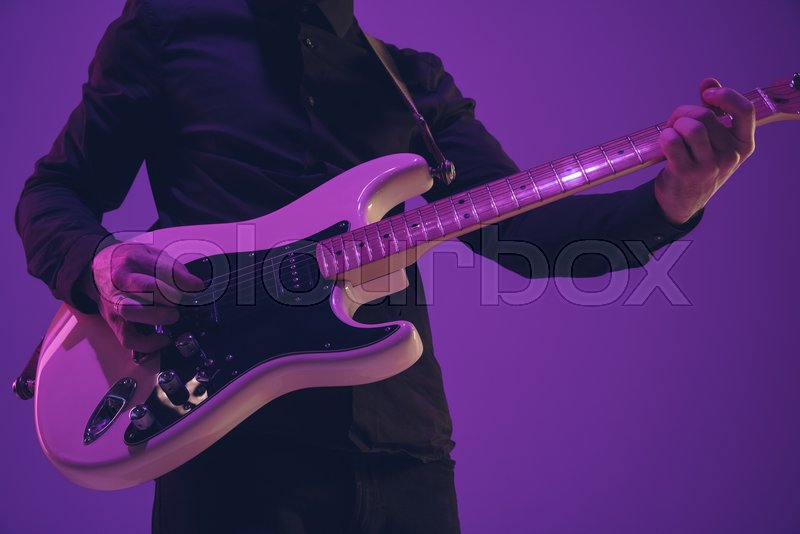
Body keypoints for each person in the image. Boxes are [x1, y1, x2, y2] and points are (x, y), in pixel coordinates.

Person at [14, 0, 755, 532]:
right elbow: (53, 193)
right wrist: (100, 262)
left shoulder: (409, 82)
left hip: (405, 458)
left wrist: (673, 198)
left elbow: (527, 236)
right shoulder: (166, 29)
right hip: (228, 452)